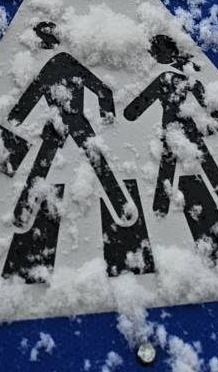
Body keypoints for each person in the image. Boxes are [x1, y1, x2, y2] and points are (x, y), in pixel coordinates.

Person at [7, 21, 133, 227]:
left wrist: (16, 117)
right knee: (91, 163)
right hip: (67, 123)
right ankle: (122, 207)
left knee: (44, 167)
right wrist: (106, 113)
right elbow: (101, 89)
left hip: (67, 122)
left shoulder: (60, 63)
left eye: (42, 40)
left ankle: (23, 213)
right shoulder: (57, 63)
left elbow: (100, 88)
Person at [123, 33, 218, 215]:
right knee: (203, 159)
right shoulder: (188, 80)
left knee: (168, 163)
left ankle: (160, 206)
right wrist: (217, 123)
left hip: (172, 126)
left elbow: (137, 106)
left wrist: (131, 113)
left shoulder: (167, 78)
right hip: (188, 126)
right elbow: (211, 107)